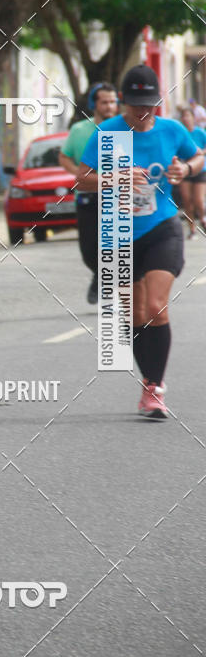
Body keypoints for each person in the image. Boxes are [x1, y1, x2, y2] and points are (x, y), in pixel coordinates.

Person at [78, 64, 203, 418]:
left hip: (163, 226)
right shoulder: (108, 132)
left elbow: (197, 155)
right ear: (122, 102)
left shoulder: (171, 130)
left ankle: (156, 388)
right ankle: (148, 383)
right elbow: (81, 180)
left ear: (157, 101)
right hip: (118, 230)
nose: (141, 111)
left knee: (156, 307)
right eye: (134, 104)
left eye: (147, 104)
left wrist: (187, 170)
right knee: (133, 312)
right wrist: (114, 177)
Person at [59, 83, 118, 303]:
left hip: (116, 196)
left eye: (113, 102)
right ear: (94, 104)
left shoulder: (125, 128)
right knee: (89, 249)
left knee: (113, 245)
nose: (110, 106)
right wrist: (79, 174)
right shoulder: (79, 130)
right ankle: (99, 274)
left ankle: (110, 286)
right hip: (87, 195)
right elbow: (64, 157)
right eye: (104, 102)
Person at [179, 106, 206, 239]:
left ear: (193, 118)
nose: (185, 118)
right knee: (187, 200)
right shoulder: (180, 133)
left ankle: (202, 218)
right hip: (184, 169)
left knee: (199, 200)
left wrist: (201, 152)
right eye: (183, 116)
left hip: (200, 169)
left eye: (188, 116)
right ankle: (192, 229)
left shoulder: (200, 132)